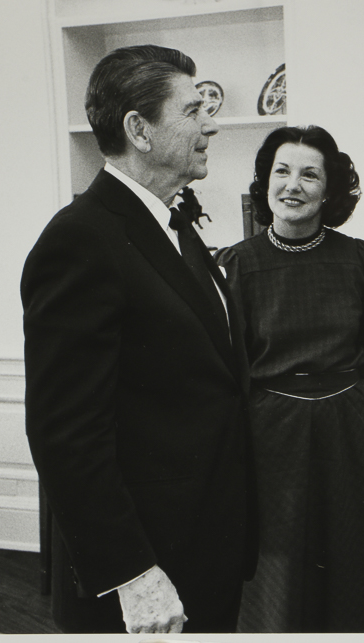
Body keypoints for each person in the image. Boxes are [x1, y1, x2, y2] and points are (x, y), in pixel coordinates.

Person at [21, 45, 257, 634]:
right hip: (144, 573)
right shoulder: (79, 241)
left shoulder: (173, 226)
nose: (212, 122)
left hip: (203, 545)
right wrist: (132, 573)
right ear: (139, 130)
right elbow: (66, 434)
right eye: (193, 109)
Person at [214, 125, 364, 632]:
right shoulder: (236, 263)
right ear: (265, 182)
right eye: (282, 171)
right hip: (272, 438)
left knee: (354, 566)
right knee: (279, 574)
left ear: (329, 190)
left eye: (309, 174)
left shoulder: (356, 256)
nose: (293, 185)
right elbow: (229, 378)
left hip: (350, 430)